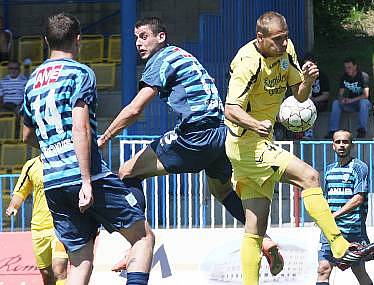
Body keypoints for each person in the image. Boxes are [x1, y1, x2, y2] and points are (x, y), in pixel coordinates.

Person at [98, 16, 284, 276]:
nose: (138, 43)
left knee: (127, 172)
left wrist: (103, 139)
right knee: (221, 191)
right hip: (222, 134)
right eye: (135, 38)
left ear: (161, 37)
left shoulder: (160, 60)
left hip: (196, 135)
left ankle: (137, 244)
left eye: (143, 36)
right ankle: (264, 239)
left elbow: (134, 110)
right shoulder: (182, 55)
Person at [223, 11, 374, 285]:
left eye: (286, 38)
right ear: (261, 38)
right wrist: (255, 124)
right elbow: (230, 108)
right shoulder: (247, 62)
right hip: (247, 143)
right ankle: (341, 246)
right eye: (277, 40)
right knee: (309, 177)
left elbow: (300, 94)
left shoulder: (287, 51)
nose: (284, 44)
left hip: (258, 144)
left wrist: (306, 80)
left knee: (256, 227)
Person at [22, 13, 154, 285]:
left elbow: (27, 135)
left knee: (80, 261)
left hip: (53, 182)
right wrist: (85, 179)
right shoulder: (81, 73)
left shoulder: (32, 81)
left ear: (46, 40)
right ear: (78, 40)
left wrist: (52, 147)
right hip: (87, 176)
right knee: (142, 237)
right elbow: (80, 128)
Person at [316, 129, 374, 285]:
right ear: (333, 146)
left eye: (345, 142)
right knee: (323, 268)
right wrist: (324, 218)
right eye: (338, 142)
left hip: (352, 230)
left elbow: (358, 198)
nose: (341, 145)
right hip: (331, 231)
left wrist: (334, 215)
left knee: (359, 272)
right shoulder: (329, 169)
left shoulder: (359, 167)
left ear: (352, 145)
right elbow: (327, 197)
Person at [6, 156, 68, 285]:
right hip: (39, 227)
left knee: (59, 269)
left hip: (61, 225)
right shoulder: (31, 165)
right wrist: (13, 206)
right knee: (46, 275)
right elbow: (20, 191)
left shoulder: (66, 159)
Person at [326, 58, 371, 139]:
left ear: (355, 66)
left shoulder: (363, 76)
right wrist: (342, 99)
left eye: (349, 67)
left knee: (363, 102)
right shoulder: (344, 77)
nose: (347, 70)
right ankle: (332, 131)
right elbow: (340, 94)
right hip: (351, 104)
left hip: (364, 104)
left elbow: (366, 95)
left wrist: (351, 100)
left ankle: (361, 131)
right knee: (336, 103)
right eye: (345, 67)